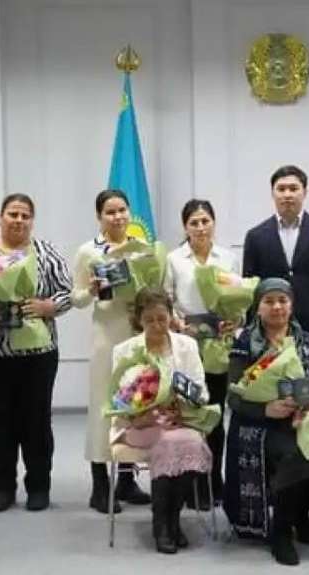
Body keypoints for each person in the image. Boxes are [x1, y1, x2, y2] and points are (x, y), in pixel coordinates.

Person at [0, 193, 72, 512]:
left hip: (38, 355)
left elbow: (68, 293)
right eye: (12, 214)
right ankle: (2, 487)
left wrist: (48, 306)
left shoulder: (46, 253)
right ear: (0, 217)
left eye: (25, 215)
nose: (18, 220)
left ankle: (39, 486)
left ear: (32, 221)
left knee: (37, 421)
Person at [224, 278, 309, 566]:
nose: (277, 307)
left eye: (283, 300)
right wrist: (266, 409)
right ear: (258, 307)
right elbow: (234, 397)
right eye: (269, 301)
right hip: (261, 423)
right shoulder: (246, 343)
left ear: (291, 305)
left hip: (302, 419)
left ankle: (300, 512)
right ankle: (281, 531)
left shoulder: (306, 340)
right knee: (292, 455)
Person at [110, 289, 213, 553]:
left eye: (162, 319)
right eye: (149, 320)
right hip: (139, 422)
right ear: (139, 320)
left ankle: (172, 519)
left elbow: (202, 391)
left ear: (171, 316)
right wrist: (139, 413)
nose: (156, 325)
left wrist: (183, 406)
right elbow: (118, 398)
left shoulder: (187, 346)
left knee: (190, 442)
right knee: (167, 442)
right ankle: (162, 525)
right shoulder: (124, 350)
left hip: (180, 418)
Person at [72, 189, 152, 513]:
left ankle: (127, 480)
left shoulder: (142, 249)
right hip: (106, 337)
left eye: (122, 210)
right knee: (103, 408)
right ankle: (99, 485)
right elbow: (76, 298)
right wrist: (90, 290)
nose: (117, 217)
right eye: (110, 212)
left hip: (137, 334)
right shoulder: (88, 251)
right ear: (99, 217)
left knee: (134, 404)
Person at [163, 199, 238, 504]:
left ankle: (214, 479)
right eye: (194, 222)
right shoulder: (173, 259)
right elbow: (166, 298)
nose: (200, 227)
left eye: (205, 221)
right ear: (185, 227)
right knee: (190, 415)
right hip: (186, 345)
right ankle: (192, 483)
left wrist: (235, 320)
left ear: (214, 223)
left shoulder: (228, 258)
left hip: (219, 346)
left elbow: (237, 297)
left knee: (215, 416)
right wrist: (176, 322)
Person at [242, 165, 309, 360]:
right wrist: (250, 332)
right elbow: (249, 288)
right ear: (272, 193)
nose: (287, 194)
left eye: (293, 188)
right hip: (268, 332)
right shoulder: (255, 236)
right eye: (281, 189)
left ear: (304, 192)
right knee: (267, 378)